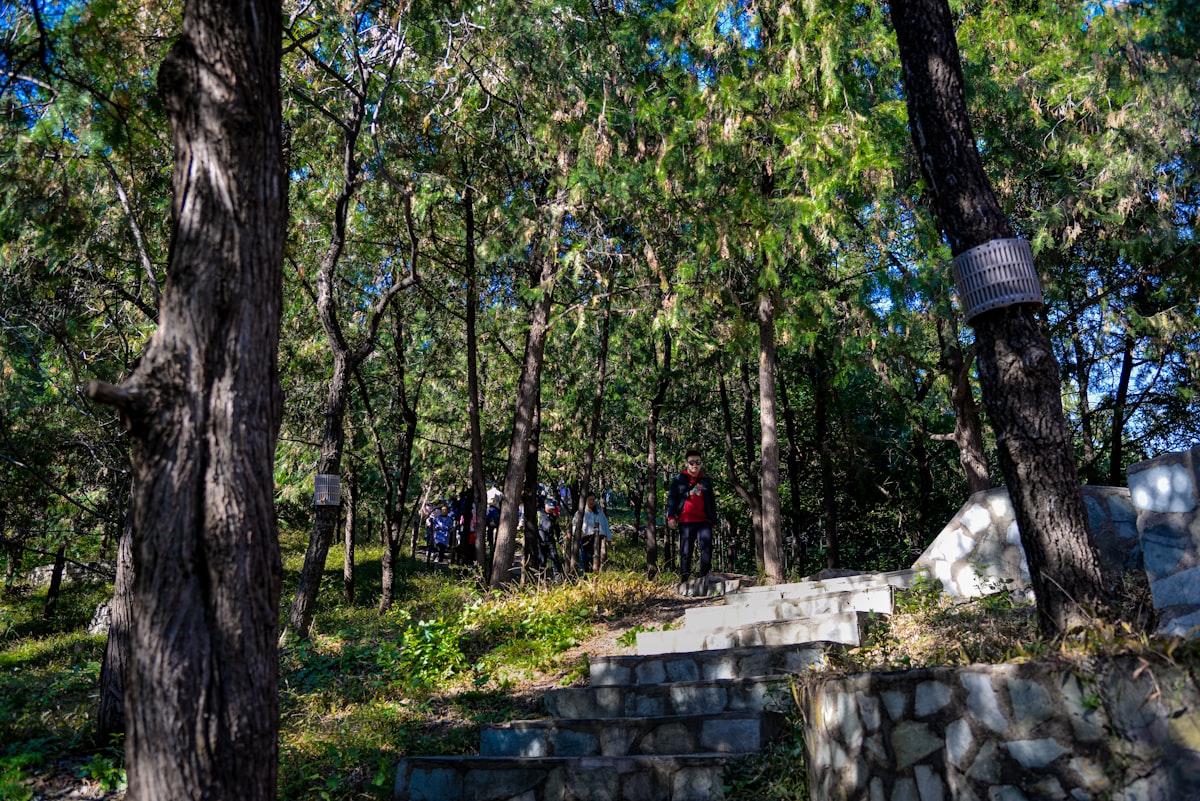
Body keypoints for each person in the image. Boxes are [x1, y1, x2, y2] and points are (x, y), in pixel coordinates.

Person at [666, 448, 718, 589]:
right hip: (686, 521)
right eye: (692, 462)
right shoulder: (679, 480)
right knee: (686, 551)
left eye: (698, 462)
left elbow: (711, 501)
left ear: (701, 463)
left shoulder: (705, 481)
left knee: (706, 548)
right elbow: (672, 498)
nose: (695, 465)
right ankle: (684, 580)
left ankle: (703, 578)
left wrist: (713, 520)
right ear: (686, 464)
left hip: (704, 521)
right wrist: (670, 516)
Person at [572, 491, 611, 573]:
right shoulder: (580, 512)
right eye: (590, 500)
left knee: (596, 558)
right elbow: (574, 526)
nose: (592, 501)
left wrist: (609, 537)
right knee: (586, 559)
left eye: (593, 500)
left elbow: (605, 524)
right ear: (586, 500)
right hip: (585, 539)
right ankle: (586, 575)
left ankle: (595, 575)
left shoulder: (599, 511)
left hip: (597, 539)